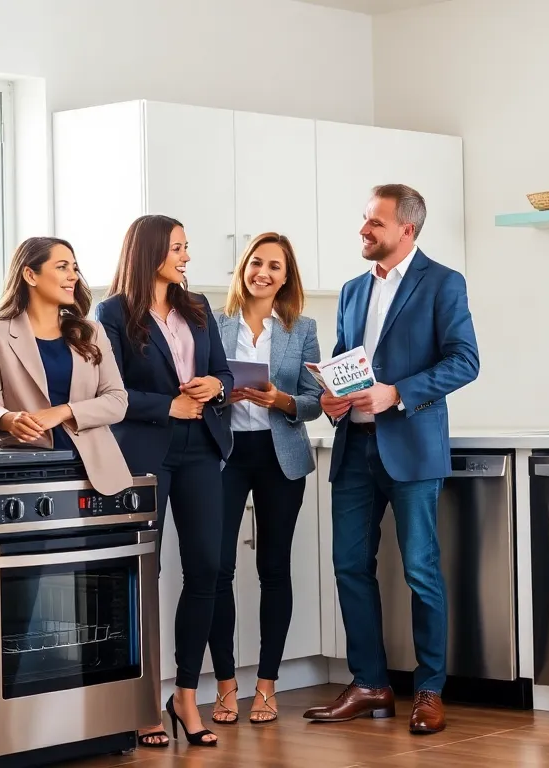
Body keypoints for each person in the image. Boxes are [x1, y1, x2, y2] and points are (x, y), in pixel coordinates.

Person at [303, 184, 479, 736]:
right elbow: (345, 359)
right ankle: (371, 683)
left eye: (374, 222)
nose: (363, 230)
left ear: (406, 229)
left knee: (421, 571)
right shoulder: (353, 290)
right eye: (364, 219)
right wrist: (332, 396)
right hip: (354, 447)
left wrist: (396, 392)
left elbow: (464, 361)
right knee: (349, 566)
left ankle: (429, 690)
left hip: (411, 448)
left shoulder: (443, 283)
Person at [96, 214, 235, 748]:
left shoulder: (196, 308)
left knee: (206, 569)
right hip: (144, 453)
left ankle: (183, 693)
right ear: (150, 250)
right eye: (178, 247)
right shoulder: (111, 314)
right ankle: (141, 698)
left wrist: (212, 387)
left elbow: (223, 372)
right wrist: (168, 405)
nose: (186, 256)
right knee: (142, 577)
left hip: (202, 450)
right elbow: (108, 391)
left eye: (186, 247)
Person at [207, 232, 322, 726]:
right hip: (225, 456)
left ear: (286, 276)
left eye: (276, 266)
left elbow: (317, 400)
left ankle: (268, 686)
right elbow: (194, 387)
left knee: (274, 568)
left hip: (281, 457)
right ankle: (227, 687)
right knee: (215, 572)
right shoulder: (213, 323)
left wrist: (281, 400)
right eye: (257, 263)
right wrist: (220, 395)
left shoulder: (303, 328)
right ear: (243, 267)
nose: (265, 273)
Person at [0, 236, 132, 494]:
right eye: (62, 267)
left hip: (91, 470)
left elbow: (117, 400)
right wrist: (8, 419)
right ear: (30, 275)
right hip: (21, 468)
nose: (73, 276)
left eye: (75, 268)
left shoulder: (92, 332)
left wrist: (63, 411)